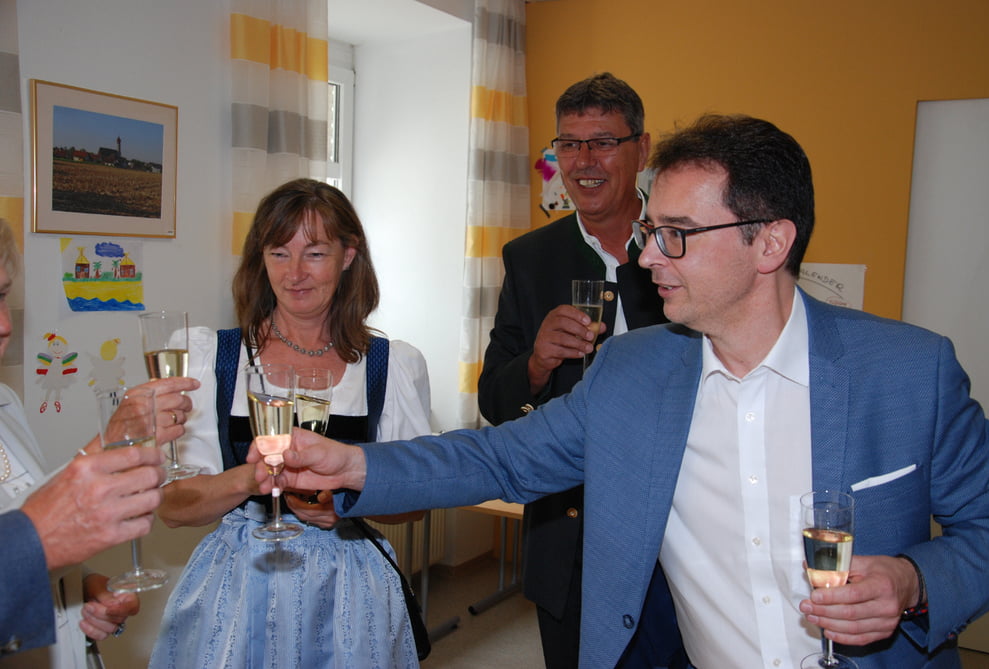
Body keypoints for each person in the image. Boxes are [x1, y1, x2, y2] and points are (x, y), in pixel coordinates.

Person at [251, 115, 989, 667]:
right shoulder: (633, 372)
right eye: (650, 230)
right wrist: (355, 465)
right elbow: (500, 458)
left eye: (676, 234)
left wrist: (912, 580)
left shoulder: (910, 371)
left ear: (770, 242)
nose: (646, 257)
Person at [150, 178, 433, 668]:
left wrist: (345, 504)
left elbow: (416, 503)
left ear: (348, 256)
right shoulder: (211, 358)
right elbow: (173, 508)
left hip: (348, 589)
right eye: (279, 253)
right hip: (239, 588)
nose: (295, 273)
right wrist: (253, 478)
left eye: (315, 254)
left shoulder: (391, 366)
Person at [477, 71, 681, 668]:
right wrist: (538, 363)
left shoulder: (681, 245)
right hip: (569, 537)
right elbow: (496, 401)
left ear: (642, 149)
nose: (584, 162)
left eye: (604, 142)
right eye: (569, 144)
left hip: (677, 527)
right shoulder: (529, 258)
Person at [0, 218, 197, 665]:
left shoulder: (7, 404)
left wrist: (85, 587)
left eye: (3, 296)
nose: (5, 325)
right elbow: (34, 535)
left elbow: (23, 527)